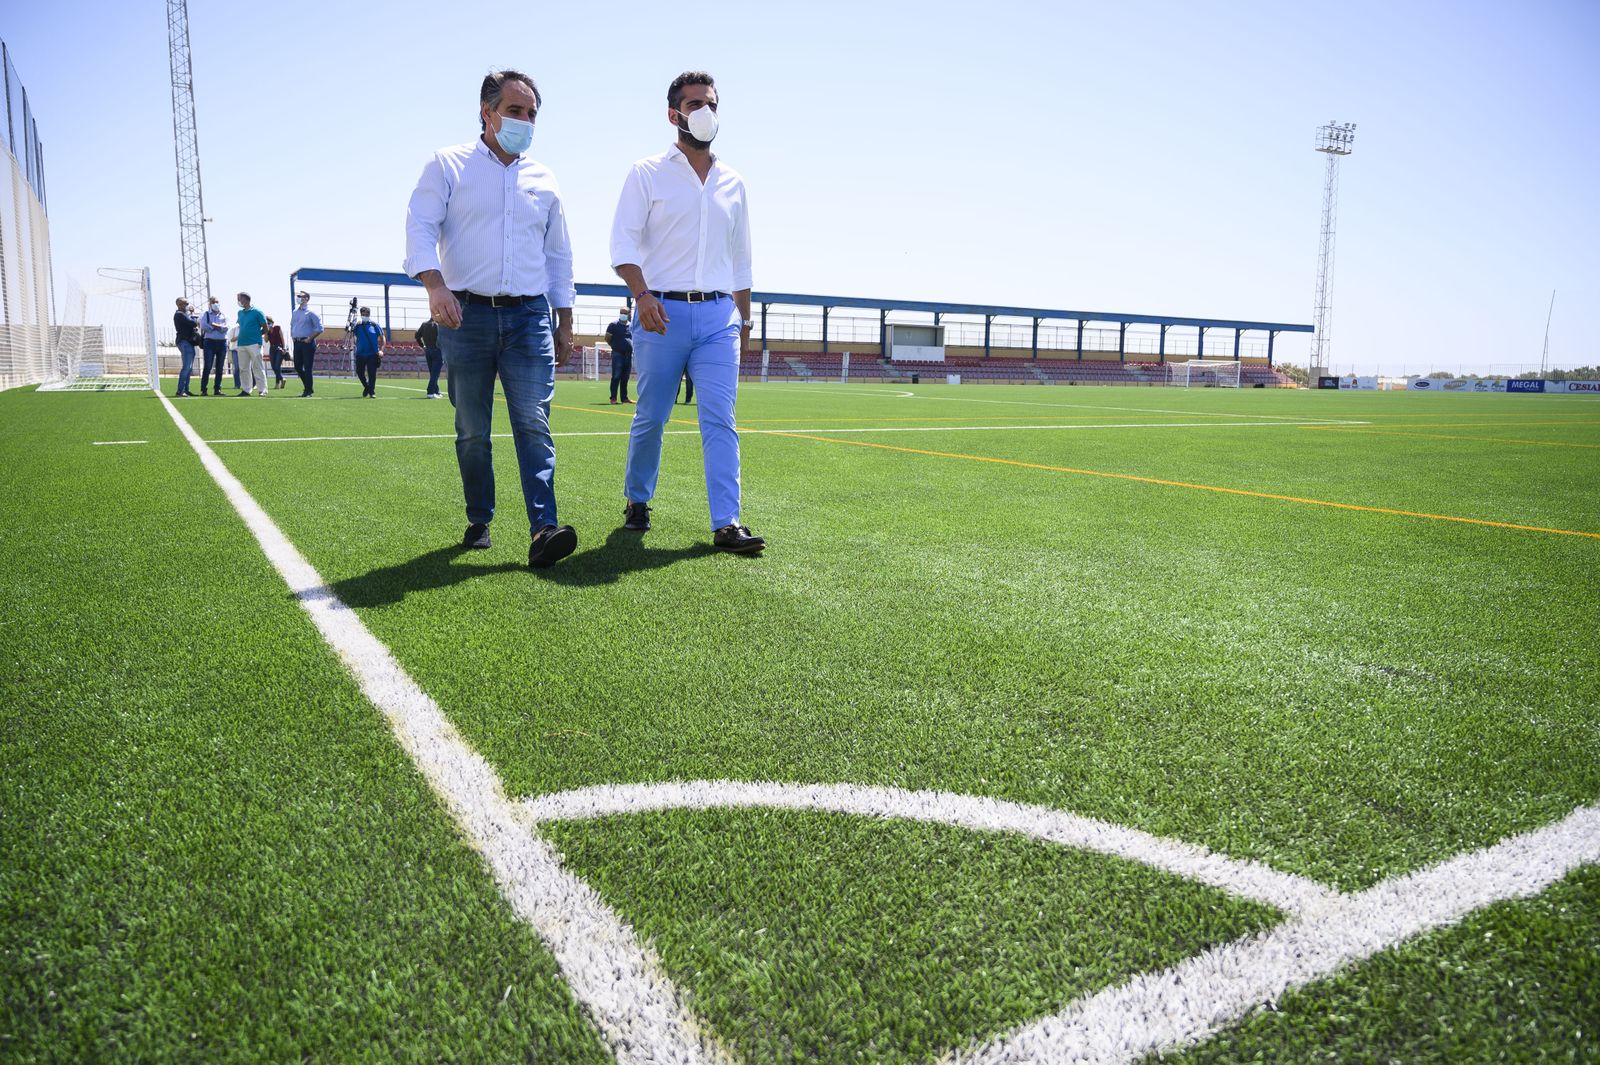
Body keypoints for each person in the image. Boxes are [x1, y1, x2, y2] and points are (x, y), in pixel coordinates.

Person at [403, 69, 578, 569]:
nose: (525, 121)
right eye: (515, 110)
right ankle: (479, 517)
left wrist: (565, 320)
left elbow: (559, 255)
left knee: (533, 422)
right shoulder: (448, 165)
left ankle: (544, 528)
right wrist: (435, 285)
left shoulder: (544, 179)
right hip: (466, 317)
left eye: (532, 114)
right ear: (487, 112)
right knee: (473, 428)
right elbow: (419, 227)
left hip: (529, 317)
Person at [610, 70, 763, 554]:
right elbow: (622, 246)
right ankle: (638, 499)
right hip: (661, 314)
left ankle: (727, 522)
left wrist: (745, 320)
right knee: (652, 416)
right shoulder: (646, 173)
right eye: (695, 104)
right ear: (673, 114)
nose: (705, 112)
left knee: (720, 419)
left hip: (719, 317)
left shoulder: (733, 182)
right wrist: (642, 296)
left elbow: (741, 260)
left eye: (711, 104)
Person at [234, 292, 269, 396]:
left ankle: (262, 390)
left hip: (254, 343)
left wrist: (257, 335)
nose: (238, 301)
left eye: (239, 299)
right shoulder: (240, 313)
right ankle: (246, 389)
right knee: (243, 368)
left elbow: (265, 327)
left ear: (246, 299)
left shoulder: (257, 312)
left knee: (257, 367)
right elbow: (242, 326)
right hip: (241, 343)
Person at [290, 291, 323, 396]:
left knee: (308, 368)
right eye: (298, 296)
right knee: (297, 367)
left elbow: (320, 328)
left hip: (307, 343)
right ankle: (309, 387)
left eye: (300, 296)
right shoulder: (295, 312)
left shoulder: (311, 312)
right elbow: (292, 325)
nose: (298, 297)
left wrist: (310, 338)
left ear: (306, 298)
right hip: (297, 342)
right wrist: (293, 336)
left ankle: (308, 390)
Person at [350, 306, 385, 397]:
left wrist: (381, 350)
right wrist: (354, 342)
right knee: (359, 372)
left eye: (367, 314)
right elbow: (353, 335)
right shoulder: (357, 325)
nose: (365, 315)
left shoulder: (375, 325)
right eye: (363, 314)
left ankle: (372, 392)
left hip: (372, 354)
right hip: (360, 353)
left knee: (372, 373)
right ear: (361, 314)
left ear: (369, 314)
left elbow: (382, 338)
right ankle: (367, 387)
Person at [199, 296, 228, 396]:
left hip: (222, 342)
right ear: (209, 304)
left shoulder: (224, 315)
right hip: (209, 342)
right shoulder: (206, 314)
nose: (215, 304)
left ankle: (217, 389)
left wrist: (215, 325)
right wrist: (215, 327)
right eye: (213, 302)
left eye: (217, 302)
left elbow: (226, 327)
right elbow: (203, 325)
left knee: (220, 367)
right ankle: (204, 389)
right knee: (208, 366)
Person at [604, 307, 633, 404]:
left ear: (629, 314)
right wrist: (615, 346)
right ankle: (613, 398)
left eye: (625, 313)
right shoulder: (613, 325)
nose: (623, 314)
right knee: (616, 376)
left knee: (625, 377)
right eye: (621, 313)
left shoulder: (631, 326)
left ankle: (624, 398)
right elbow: (607, 338)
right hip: (618, 354)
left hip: (628, 355)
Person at [173, 297, 199, 397]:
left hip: (188, 342)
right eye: (185, 304)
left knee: (189, 368)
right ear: (179, 305)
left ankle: (186, 389)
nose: (187, 306)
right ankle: (180, 390)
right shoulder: (179, 315)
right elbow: (193, 323)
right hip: (184, 342)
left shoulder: (184, 315)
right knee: (186, 367)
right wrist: (193, 316)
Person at [415, 317, 444, 397]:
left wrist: (422, 345)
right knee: (435, 373)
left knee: (433, 372)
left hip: (428, 350)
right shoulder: (439, 325)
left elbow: (417, 335)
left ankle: (436, 391)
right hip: (437, 350)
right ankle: (430, 392)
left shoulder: (424, 324)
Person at [265, 316, 288, 389]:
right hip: (272, 348)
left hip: (279, 348)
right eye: (267, 323)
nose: (268, 324)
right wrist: (266, 332)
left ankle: (277, 383)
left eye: (269, 323)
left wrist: (284, 348)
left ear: (272, 322)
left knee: (277, 366)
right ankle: (282, 379)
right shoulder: (267, 331)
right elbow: (266, 340)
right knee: (273, 367)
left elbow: (282, 338)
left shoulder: (278, 328)